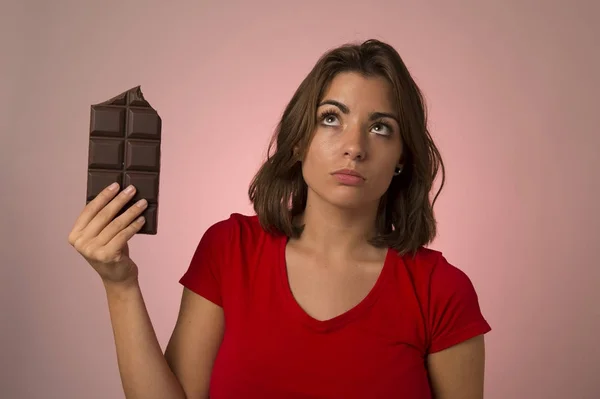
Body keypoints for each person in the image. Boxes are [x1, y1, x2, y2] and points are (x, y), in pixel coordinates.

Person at [68, 39, 492, 399]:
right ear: (298, 143)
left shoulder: (442, 292)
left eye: (381, 128)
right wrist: (120, 284)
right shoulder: (230, 250)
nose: (354, 146)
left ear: (402, 158)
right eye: (331, 119)